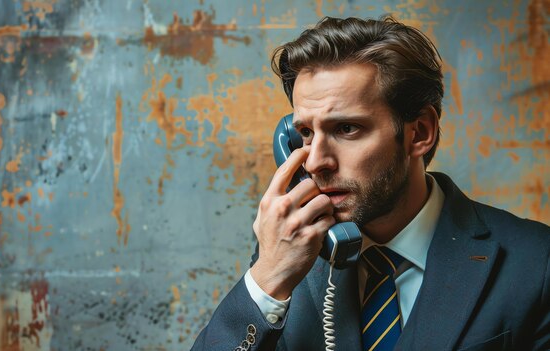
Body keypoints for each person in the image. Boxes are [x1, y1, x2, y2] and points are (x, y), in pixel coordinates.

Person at [191, 16, 550, 351]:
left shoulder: (535, 263)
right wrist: (268, 278)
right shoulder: (288, 252)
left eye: (346, 129)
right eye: (305, 132)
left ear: (419, 133)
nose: (315, 161)